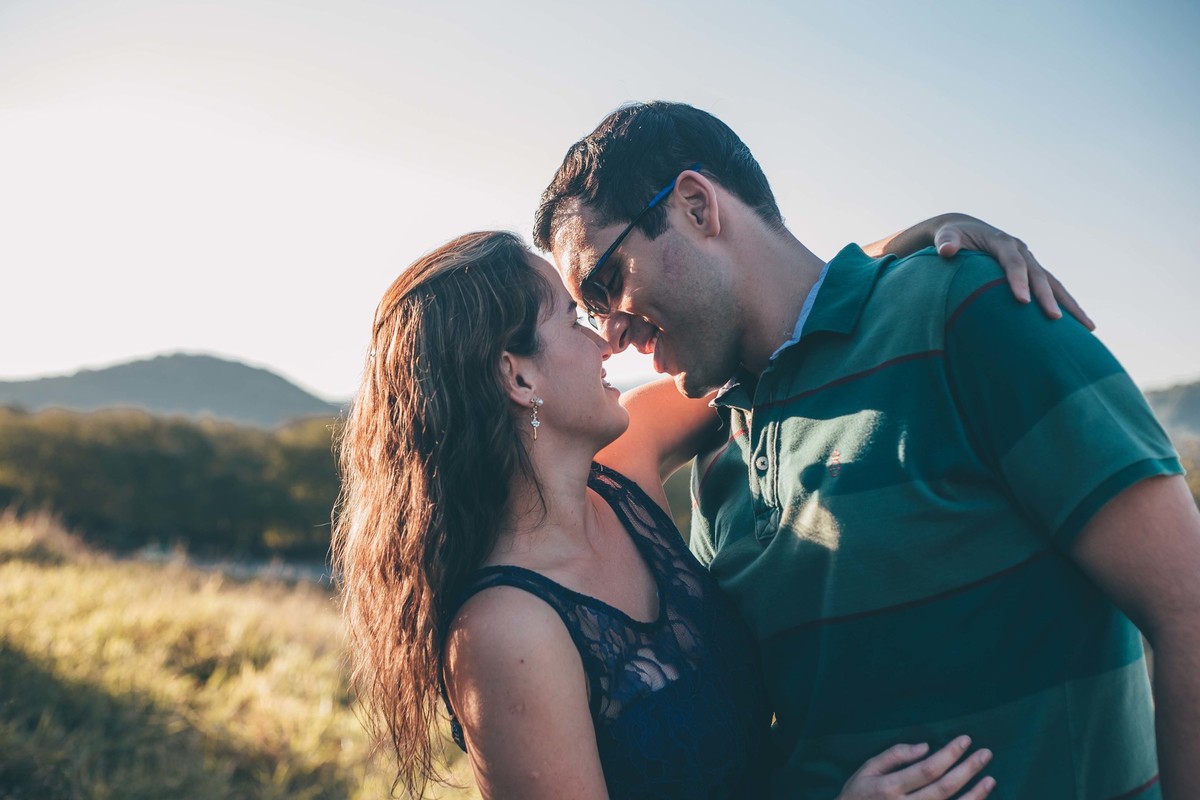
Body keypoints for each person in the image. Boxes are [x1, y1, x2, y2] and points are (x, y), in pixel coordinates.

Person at [533, 101, 1200, 799]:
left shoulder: (965, 312)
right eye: (587, 311)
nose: (609, 334)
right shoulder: (717, 455)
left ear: (698, 207)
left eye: (606, 283)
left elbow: (1186, 607)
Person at [332, 227, 1060, 799]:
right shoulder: (505, 632)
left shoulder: (619, 481)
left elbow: (767, 324)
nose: (607, 335)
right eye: (572, 318)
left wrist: (918, 241)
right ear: (517, 375)